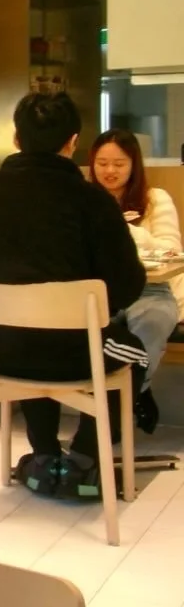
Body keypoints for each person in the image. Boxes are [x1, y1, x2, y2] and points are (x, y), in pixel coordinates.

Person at [0, 92, 147, 499]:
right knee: (135, 353)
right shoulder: (93, 202)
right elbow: (128, 287)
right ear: (72, 142)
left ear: (16, 138)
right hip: (75, 353)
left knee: (29, 344)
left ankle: (47, 454)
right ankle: (84, 456)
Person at [90, 128, 183, 430]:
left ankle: (130, 396)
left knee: (152, 321)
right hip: (98, 294)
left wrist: (122, 228)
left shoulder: (155, 199)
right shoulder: (83, 200)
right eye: (102, 163)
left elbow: (171, 251)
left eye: (119, 163)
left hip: (151, 289)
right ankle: (111, 405)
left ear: (134, 165)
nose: (109, 171)